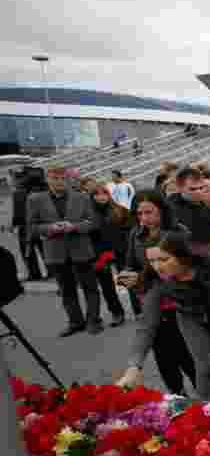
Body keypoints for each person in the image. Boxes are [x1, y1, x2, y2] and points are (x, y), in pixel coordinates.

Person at [117, 233, 210, 400]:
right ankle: (208, 406)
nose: (157, 267)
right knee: (204, 365)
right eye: (152, 261)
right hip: (189, 318)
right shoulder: (159, 283)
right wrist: (134, 367)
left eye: (163, 260)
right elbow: (146, 324)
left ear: (181, 256)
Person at [119, 190, 197, 394]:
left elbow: (187, 269)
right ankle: (179, 399)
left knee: (189, 358)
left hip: (178, 303)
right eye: (139, 214)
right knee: (165, 360)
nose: (144, 219)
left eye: (149, 212)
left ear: (162, 211)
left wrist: (143, 278)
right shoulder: (135, 234)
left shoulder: (179, 233)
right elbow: (130, 264)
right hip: (149, 299)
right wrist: (127, 276)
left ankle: (208, 400)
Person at [26, 166, 103, 336]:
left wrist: (74, 226)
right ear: (48, 179)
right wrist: (50, 228)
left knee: (90, 287)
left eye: (62, 178)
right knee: (67, 290)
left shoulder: (82, 197)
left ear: (67, 179)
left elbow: (93, 222)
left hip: (81, 248)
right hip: (56, 252)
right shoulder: (35, 200)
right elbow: (31, 227)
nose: (59, 181)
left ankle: (94, 320)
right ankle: (76, 322)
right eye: (55, 178)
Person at [88, 183, 127, 328]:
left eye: (104, 193)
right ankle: (117, 313)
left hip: (119, 250)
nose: (101, 197)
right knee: (107, 285)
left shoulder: (119, 209)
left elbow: (129, 228)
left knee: (129, 279)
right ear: (92, 197)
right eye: (97, 194)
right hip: (100, 254)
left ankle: (140, 310)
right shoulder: (88, 213)